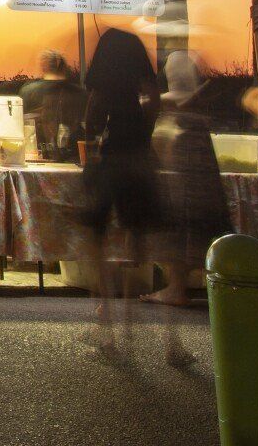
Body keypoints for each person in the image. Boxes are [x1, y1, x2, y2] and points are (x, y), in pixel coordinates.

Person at [80, 25, 178, 362]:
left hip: (113, 162)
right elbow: (154, 105)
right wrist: (143, 132)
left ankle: (108, 330)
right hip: (141, 160)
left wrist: (97, 136)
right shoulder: (145, 86)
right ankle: (170, 340)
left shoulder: (105, 87)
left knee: (97, 238)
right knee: (142, 243)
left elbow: (91, 121)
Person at [147, 50, 230, 309]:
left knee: (180, 230)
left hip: (183, 189)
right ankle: (219, 285)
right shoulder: (199, 117)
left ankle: (176, 288)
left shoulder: (173, 118)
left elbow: (162, 150)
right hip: (205, 191)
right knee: (200, 231)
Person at [19, 49, 88, 162]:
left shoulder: (29, 91)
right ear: (64, 67)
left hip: (37, 153)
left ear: (43, 67)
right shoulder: (78, 92)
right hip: (74, 157)